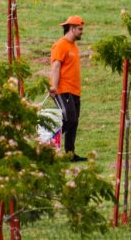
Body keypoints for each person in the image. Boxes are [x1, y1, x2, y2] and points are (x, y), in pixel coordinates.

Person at [49, 15, 87, 162]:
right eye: (80, 29)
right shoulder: (61, 45)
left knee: (74, 121)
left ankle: (70, 154)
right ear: (71, 29)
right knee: (69, 120)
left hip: (75, 91)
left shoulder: (74, 47)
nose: (82, 32)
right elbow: (56, 66)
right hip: (63, 90)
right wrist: (53, 86)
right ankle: (48, 142)